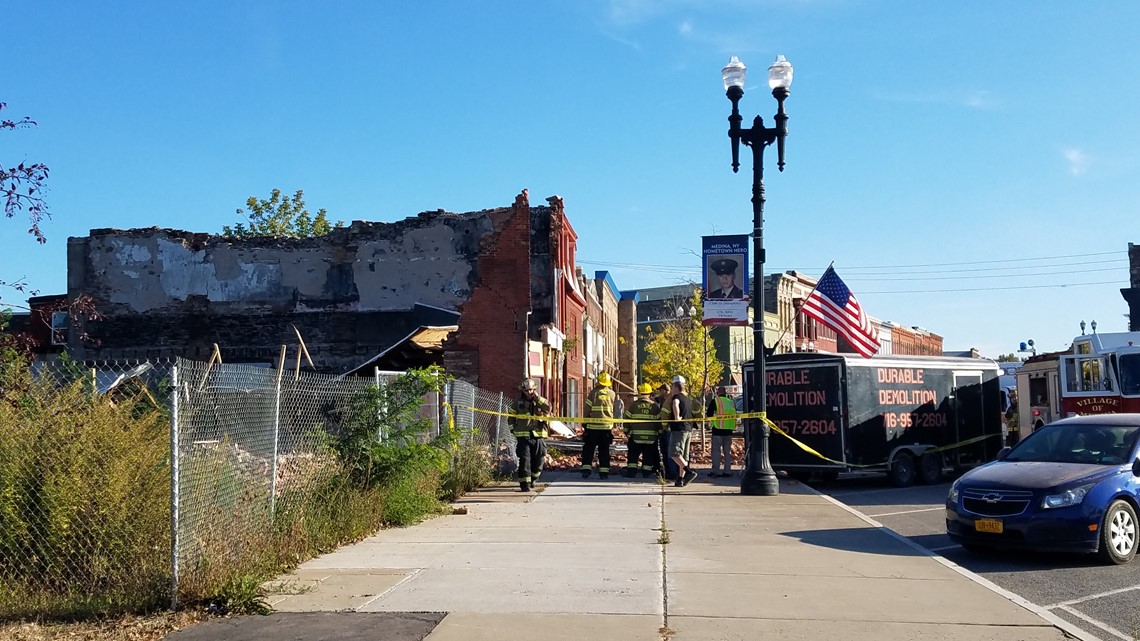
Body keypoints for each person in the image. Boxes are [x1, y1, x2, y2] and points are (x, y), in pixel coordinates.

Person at [508, 378, 551, 492]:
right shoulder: (517, 402)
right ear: (523, 390)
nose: (529, 392)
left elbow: (548, 408)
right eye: (527, 390)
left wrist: (537, 398)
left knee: (539, 458)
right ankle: (524, 484)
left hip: (538, 434)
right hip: (523, 435)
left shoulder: (540, 401)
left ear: (534, 390)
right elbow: (511, 416)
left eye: (531, 390)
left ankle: (534, 478)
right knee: (525, 459)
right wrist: (513, 429)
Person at [581, 371, 616, 479]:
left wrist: (585, 422)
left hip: (592, 428)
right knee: (604, 450)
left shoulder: (593, 393)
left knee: (588, 449)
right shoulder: (612, 394)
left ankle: (586, 470)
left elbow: (587, 409)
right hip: (606, 427)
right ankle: (604, 473)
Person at [623, 383, 662, 478]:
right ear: (649, 393)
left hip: (636, 436)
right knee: (648, 456)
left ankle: (631, 472)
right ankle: (646, 473)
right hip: (651, 438)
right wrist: (659, 433)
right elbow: (659, 422)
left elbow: (626, 419)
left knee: (633, 455)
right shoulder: (655, 407)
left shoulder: (633, 405)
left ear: (639, 393)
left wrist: (626, 431)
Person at [669, 375, 698, 487]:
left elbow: (675, 404)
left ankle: (688, 472)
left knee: (674, 453)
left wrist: (676, 417)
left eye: (672, 386)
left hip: (679, 429)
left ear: (676, 386)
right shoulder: (687, 399)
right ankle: (681, 479)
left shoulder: (676, 397)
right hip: (688, 429)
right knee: (683, 456)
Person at [706, 386, 738, 477]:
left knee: (716, 451)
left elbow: (709, 414)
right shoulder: (731, 402)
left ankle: (716, 471)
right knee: (727, 452)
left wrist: (713, 421)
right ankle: (727, 471)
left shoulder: (716, 401)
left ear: (717, 392)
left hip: (718, 430)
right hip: (728, 431)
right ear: (725, 392)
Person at [653, 383, 677, 480]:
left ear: (664, 390)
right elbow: (655, 399)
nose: (659, 392)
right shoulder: (663, 399)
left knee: (668, 451)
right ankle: (667, 471)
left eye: (660, 390)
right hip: (664, 429)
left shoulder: (669, 399)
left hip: (667, 429)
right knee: (664, 451)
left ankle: (671, 472)